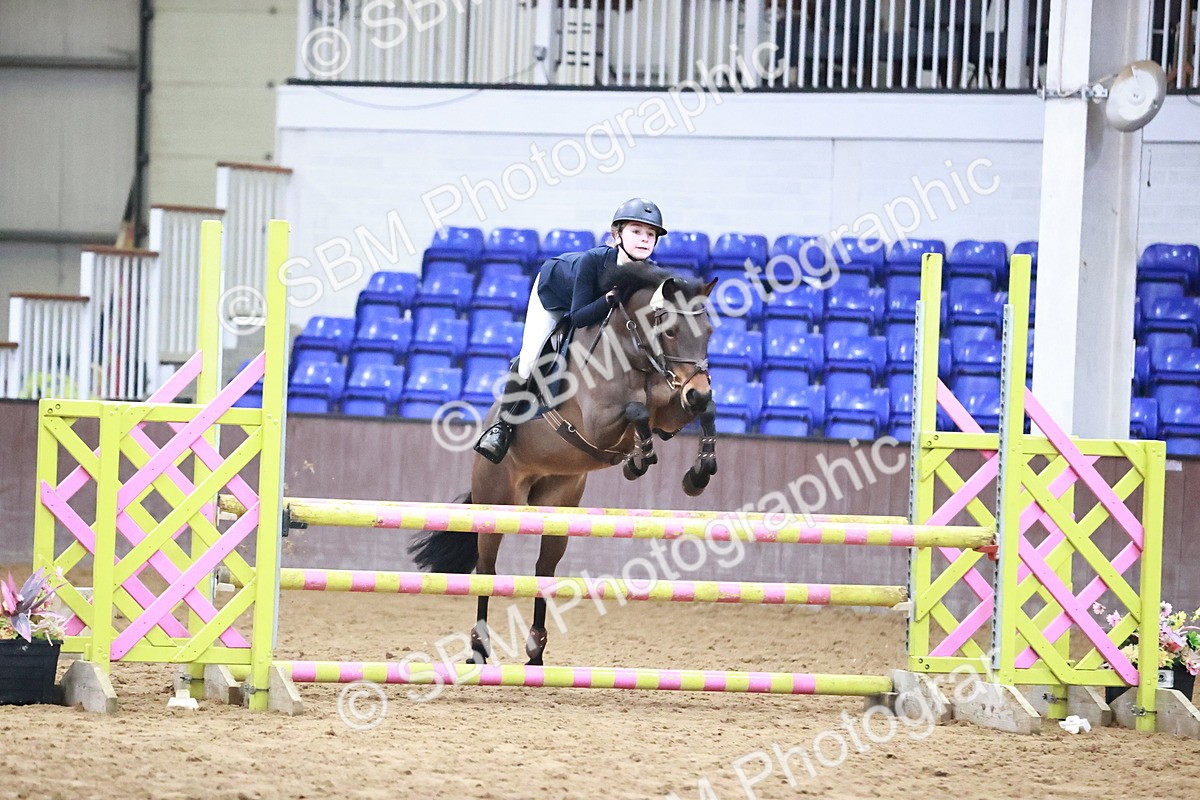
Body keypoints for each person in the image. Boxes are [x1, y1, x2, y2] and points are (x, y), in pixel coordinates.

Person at [473, 198, 667, 464]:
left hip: (594, 304)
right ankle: (502, 428)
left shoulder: (652, 274)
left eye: (650, 234)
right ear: (617, 234)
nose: (644, 239)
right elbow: (578, 317)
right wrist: (611, 297)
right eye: (636, 231)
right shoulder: (594, 261)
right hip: (555, 294)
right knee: (530, 359)